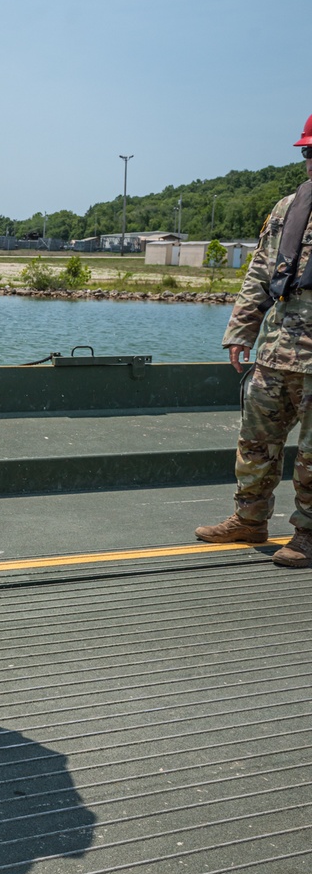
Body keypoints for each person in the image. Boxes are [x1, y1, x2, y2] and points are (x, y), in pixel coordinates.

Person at [196, 114, 312, 566]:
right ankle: (249, 519)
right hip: (278, 350)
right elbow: (260, 274)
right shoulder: (288, 208)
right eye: (308, 153)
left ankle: (306, 535)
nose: (311, 162)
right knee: (255, 441)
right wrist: (242, 330)